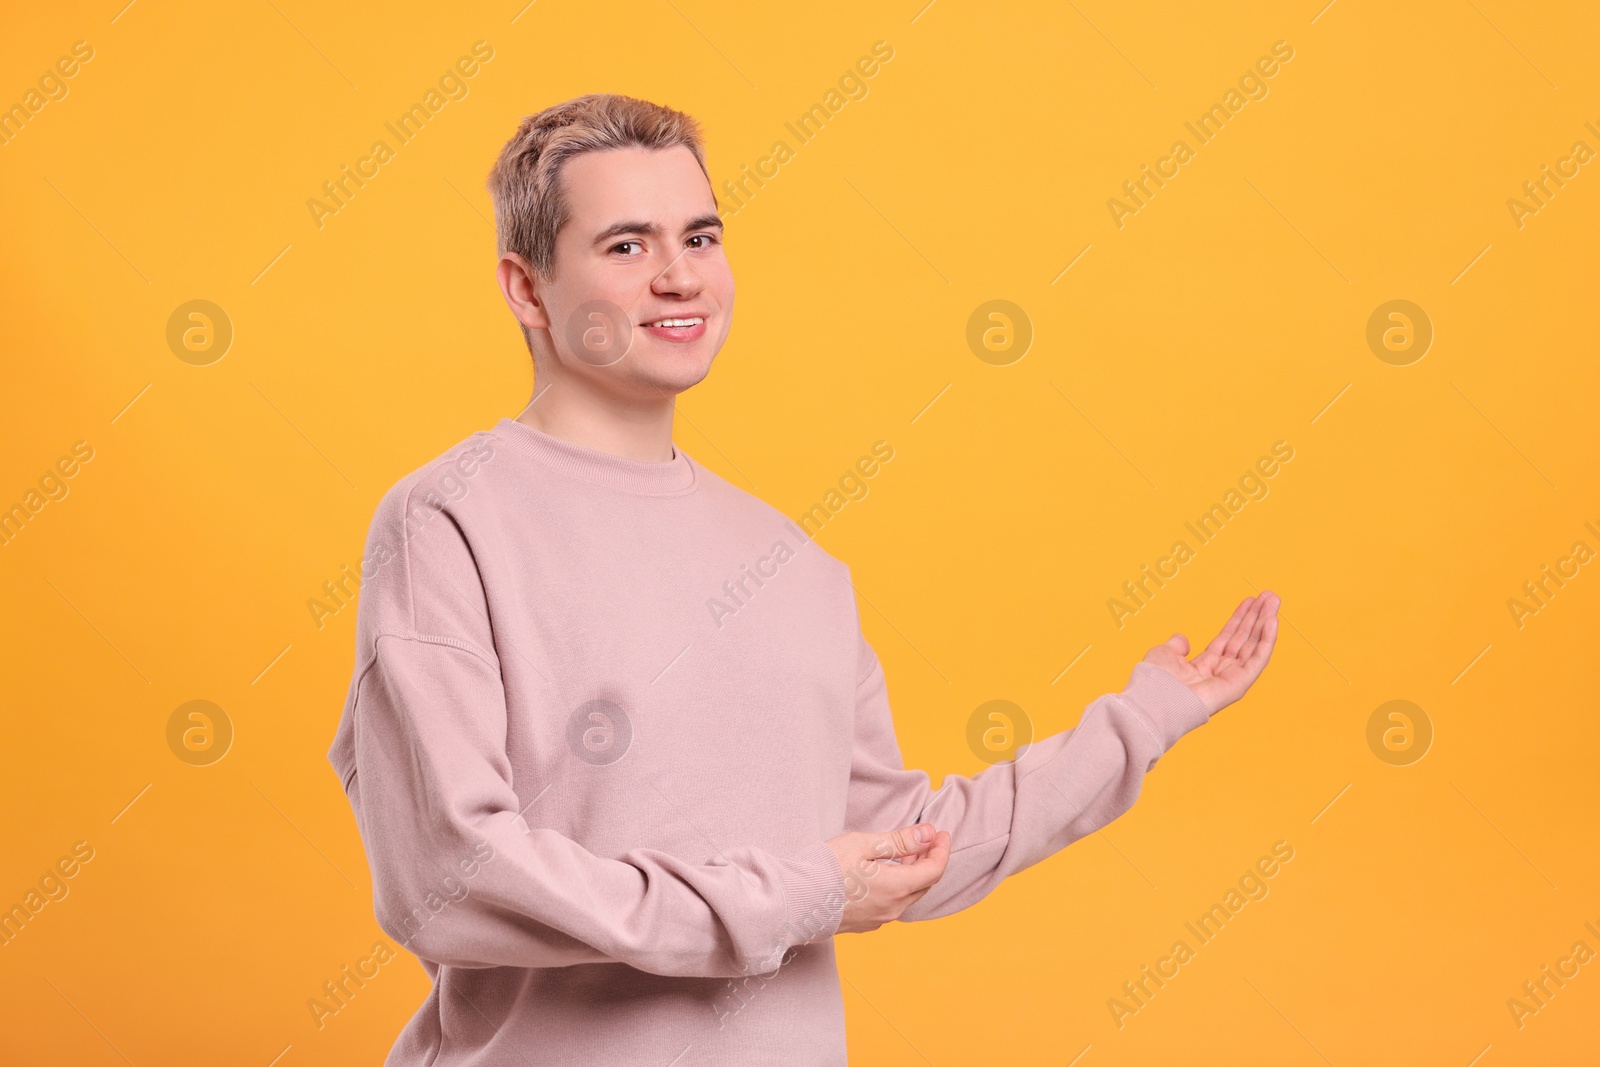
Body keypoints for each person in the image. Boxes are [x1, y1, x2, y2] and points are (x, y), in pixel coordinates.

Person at [327, 91, 1280, 1066]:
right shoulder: (449, 520)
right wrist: (795, 893)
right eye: (625, 246)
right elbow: (448, 874)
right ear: (527, 290)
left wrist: (1147, 715)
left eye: (699, 237)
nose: (677, 277)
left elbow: (899, 846)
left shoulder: (793, 566)